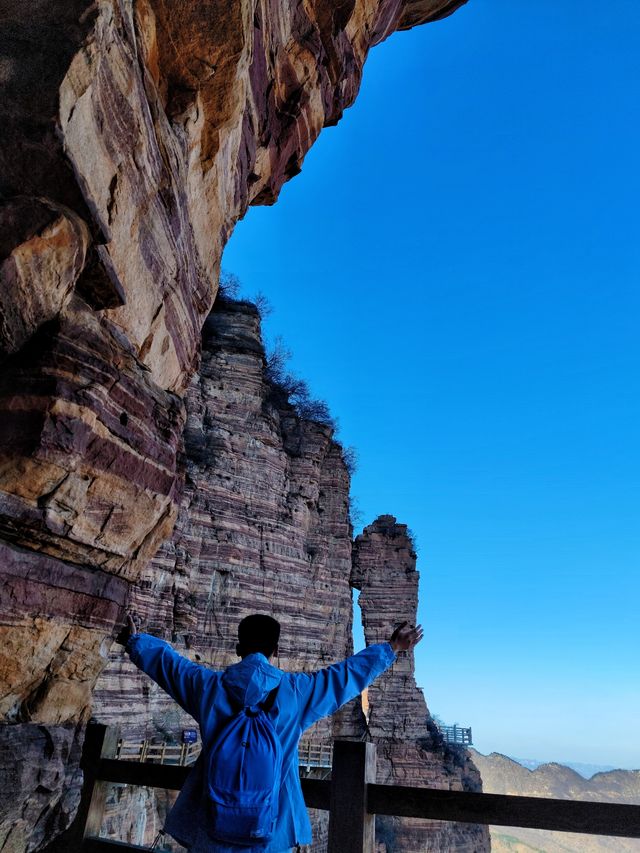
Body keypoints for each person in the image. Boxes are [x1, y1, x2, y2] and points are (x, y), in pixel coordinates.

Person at [122, 612, 423, 853]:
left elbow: (169, 666)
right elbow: (344, 676)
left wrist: (134, 642)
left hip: (211, 825)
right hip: (272, 831)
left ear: (238, 648)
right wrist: (392, 648)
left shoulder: (207, 687)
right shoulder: (296, 692)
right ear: (275, 650)